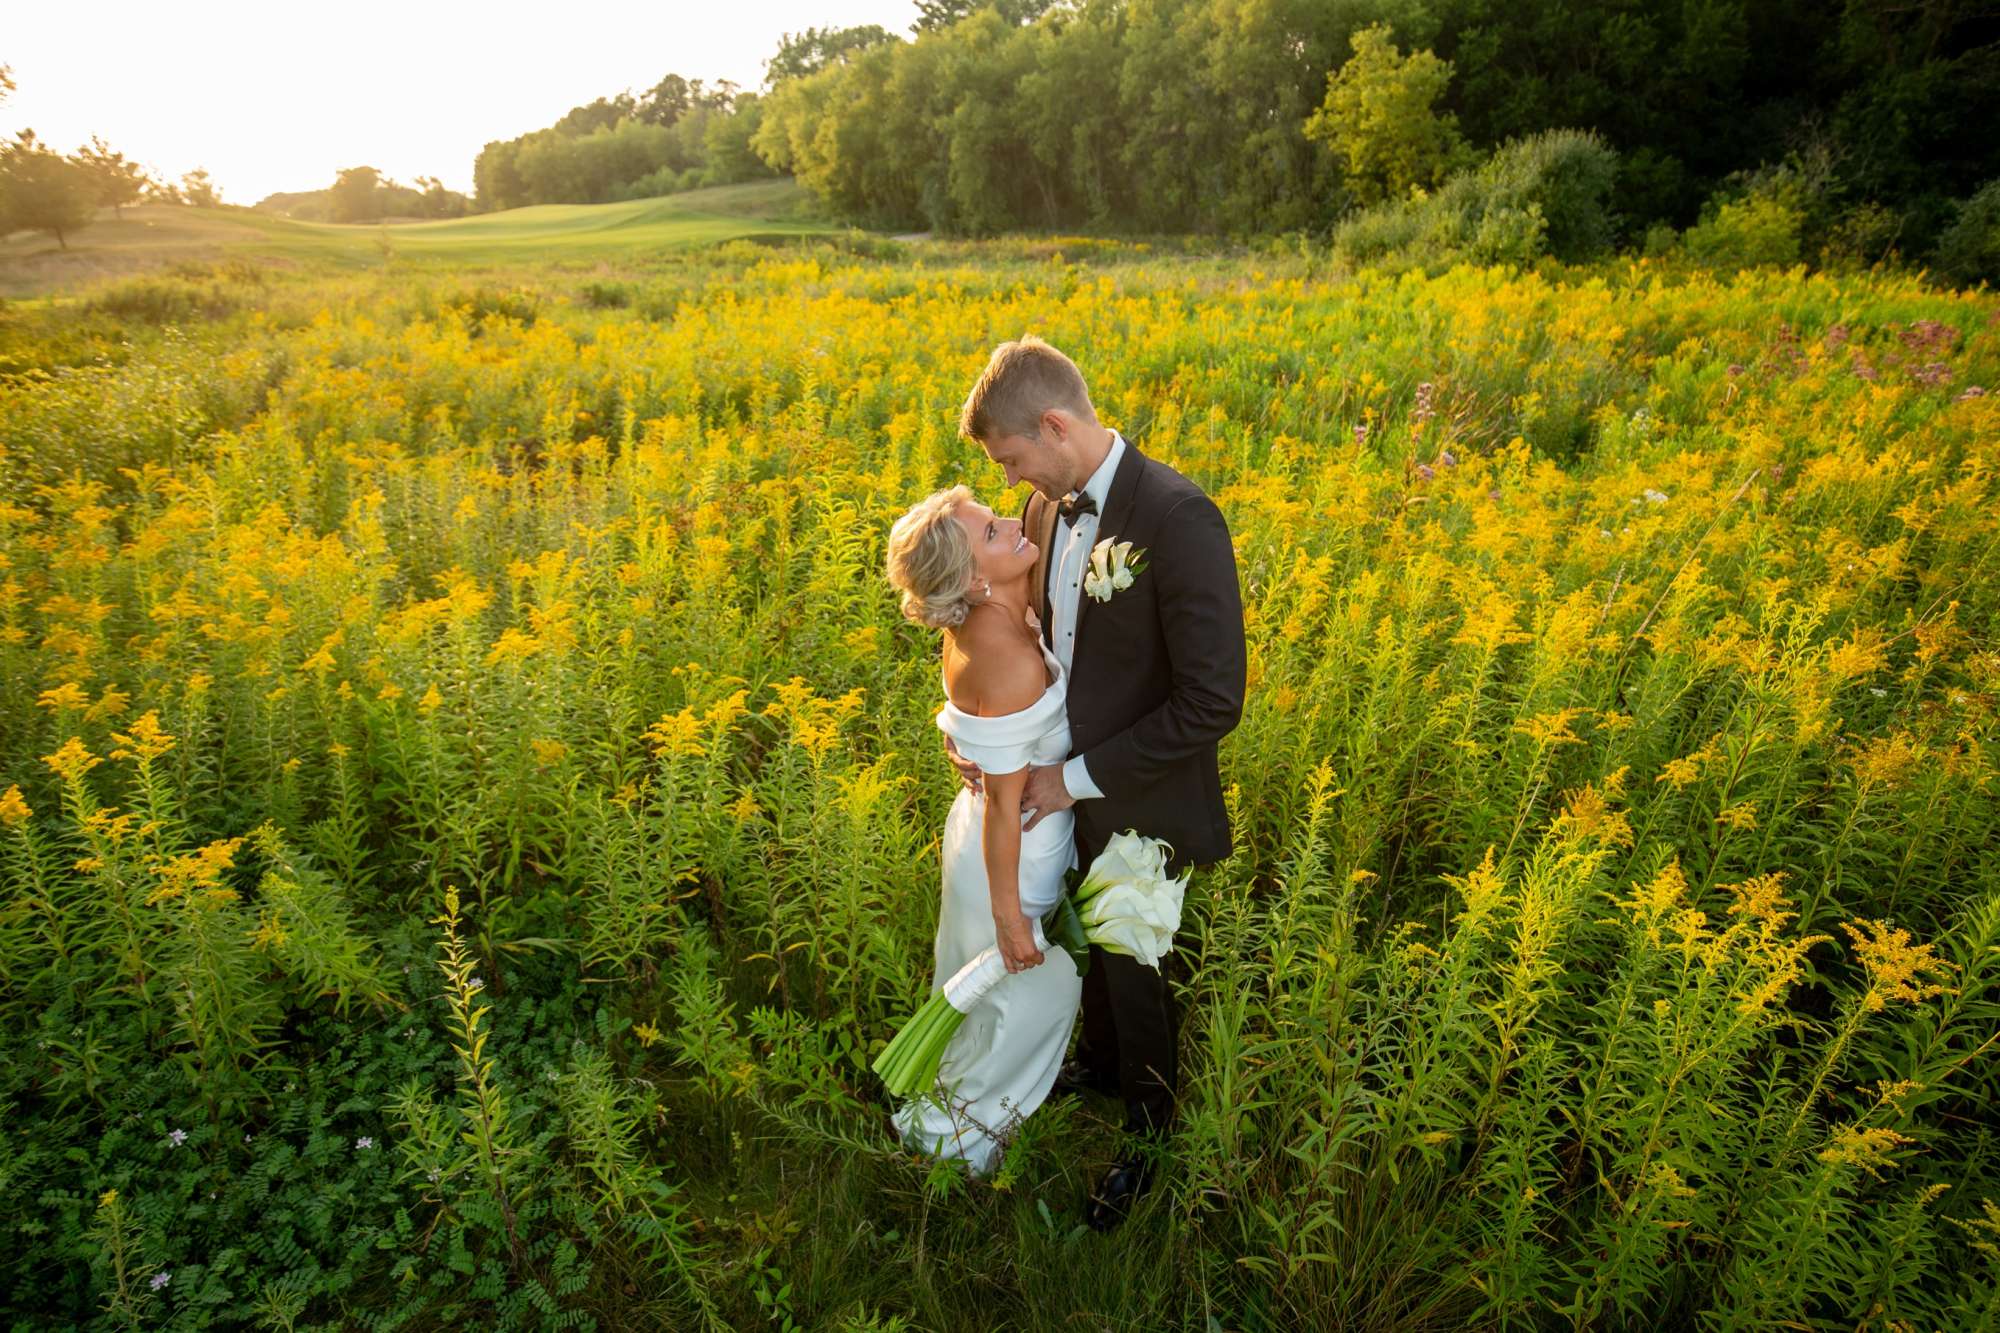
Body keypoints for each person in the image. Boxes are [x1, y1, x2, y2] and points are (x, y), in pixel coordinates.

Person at [949, 335, 1246, 1230]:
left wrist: (1072, 777)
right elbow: (1018, 631)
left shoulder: (1178, 517)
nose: (1008, 482)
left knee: (1143, 976)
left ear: (1052, 424)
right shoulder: (1045, 511)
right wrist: (987, 736)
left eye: (1010, 458)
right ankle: (1103, 1067)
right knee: (1093, 953)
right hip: (1053, 788)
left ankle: (1149, 1140)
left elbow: (1212, 700)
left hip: (1137, 798)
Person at [882, 484, 1084, 1177]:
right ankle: (957, 1135)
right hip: (1010, 852)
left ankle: (949, 1101)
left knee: (983, 993)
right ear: (972, 578)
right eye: (994, 531)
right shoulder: (1007, 659)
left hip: (983, 842)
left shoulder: (983, 613)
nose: (1012, 521)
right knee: (1017, 989)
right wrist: (1011, 920)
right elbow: (1005, 804)